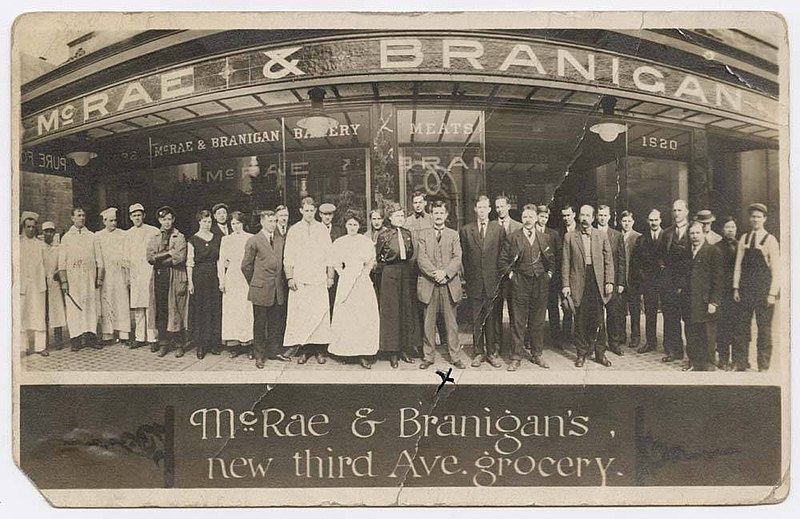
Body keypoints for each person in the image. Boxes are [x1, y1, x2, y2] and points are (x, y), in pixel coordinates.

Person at [500, 204, 555, 371]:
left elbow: (552, 261)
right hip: (519, 283)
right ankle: (516, 356)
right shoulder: (512, 237)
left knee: (537, 320)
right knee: (518, 320)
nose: (528, 220)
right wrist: (512, 276)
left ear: (536, 218)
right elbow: (503, 261)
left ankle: (537, 354)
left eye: (531, 216)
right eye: (525, 217)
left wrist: (548, 275)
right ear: (522, 219)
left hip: (540, 283)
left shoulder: (544, 237)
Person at [283, 197, 335, 364]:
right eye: (306, 211)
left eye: (312, 211)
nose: (309, 214)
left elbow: (330, 256)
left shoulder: (322, 230)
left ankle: (319, 350)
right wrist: (290, 277)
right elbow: (288, 256)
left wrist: (330, 276)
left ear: (315, 211)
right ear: (301, 211)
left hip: (318, 279)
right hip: (301, 279)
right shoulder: (294, 230)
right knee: (303, 316)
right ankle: (305, 350)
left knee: (319, 314)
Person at [562, 205, 614, 368]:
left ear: (593, 218)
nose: (585, 218)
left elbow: (608, 260)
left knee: (599, 319)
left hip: (597, 281)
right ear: (579, 217)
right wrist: (565, 284)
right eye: (582, 215)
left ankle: (600, 353)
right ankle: (581, 354)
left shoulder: (601, 235)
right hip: (578, 280)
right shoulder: (570, 237)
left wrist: (609, 281)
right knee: (580, 319)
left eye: (588, 215)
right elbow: (565, 262)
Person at [416, 201, 466, 370]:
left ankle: (455, 356)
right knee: (428, 323)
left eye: (441, 213)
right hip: (429, 284)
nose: (438, 216)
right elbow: (421, 259)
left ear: (446, 215)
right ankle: (428, 356)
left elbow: (457, 257)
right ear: (431, 215)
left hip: (448, 283)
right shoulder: (423, 234)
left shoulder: (453, 234)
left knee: (451, 323)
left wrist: (445, 273)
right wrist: (435, 274)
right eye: (435, 213)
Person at [329, 211, 380, 368]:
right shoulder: (339, 242)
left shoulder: (366, 242)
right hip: (346, 280)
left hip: (362, 281)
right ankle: (345, 351)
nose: (352, 227)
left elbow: (371, 261)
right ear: (345, 225)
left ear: (359, 226)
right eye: (350, 224)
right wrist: (344, 274)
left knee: (363, 316)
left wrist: (363, 274)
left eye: (355, 225)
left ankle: (363, 353)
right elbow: (335, 262)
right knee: (347, 316)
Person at [732, 203, 780, 371]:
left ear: (764, 219)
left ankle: (763, 365)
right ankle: (741, 362)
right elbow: (738, 265)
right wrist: (736, 288)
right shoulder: (744, 238)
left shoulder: (770, 240)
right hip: (745, 290)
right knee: (741, 328)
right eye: (753, 216)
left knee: (764, 330)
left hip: (763, 292)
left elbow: (776, 270)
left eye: (759, 217)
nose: (755, 219)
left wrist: (772, 294)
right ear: (749, 218)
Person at [241, 210, 291, 369]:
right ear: (262, 222)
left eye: (275, 221)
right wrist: (256, 282)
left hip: (277, 289)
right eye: (270, 221)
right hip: (260, 288)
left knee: (275, 322)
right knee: (260, 323)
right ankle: (259, 355)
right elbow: (246, 266)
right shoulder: (253, 240)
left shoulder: (279, 239)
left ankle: (274, 351)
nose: (273, 224)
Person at [460, 195, 504, 368]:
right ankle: (478, 352)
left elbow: (502, 255)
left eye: (485, 207)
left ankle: (492, 353)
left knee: (492, 318)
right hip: (475, 282)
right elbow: (464, 257)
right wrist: (467, 279)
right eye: (479, 207)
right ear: (475, 209)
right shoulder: (466, 230)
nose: (482, 211)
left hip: (493, 282)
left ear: (490, 209)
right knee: (477, 319)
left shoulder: (498, 229)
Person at [375, 202, 420, 368]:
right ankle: (392, 351)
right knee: (392, 312)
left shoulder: (408, 233)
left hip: (405, 272)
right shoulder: (384, 235)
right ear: (390, 217)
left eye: (402, 215)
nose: (400, 218)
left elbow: (411, 253)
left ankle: (404, 349)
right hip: (390, 273)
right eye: (397, 215)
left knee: (405, 311)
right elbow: (379, 257)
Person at [146, 206, 189, 357]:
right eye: (164, 219)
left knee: (176, 310)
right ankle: (163, 343)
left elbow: (179, 257)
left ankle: (179, 344)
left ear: (173, 220)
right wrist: (168, 253)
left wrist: (160, 257)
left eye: (169, 219)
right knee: (161, 310)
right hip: (159, 277)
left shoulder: (180, 236)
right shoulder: (155, 237)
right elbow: (150, 258)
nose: (167, 222)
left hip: (175, 277)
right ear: (159, 220)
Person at [59, 207, 103, 351]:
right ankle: (76, 340)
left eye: (83, 215)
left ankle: (91, 337)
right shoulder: (66, 238)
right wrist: (64, 281)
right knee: (74, 308)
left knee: (90, 307)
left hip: (89, 279)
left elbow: (99, 259)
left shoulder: (92, 236)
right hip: (73, 280)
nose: (82, 218)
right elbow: (62, 262)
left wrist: (99, 278)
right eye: (78, 215)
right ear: (72, 218)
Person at [683, 221, 723, 371]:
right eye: (692, 233)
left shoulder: (712, 251)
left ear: (704, 233)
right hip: (689, 301)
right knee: (691, 332)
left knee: (707, 334)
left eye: (697, 233)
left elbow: (718, 280)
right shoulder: (687, 252)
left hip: (706, 301)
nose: (694, 236)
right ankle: (693, 361)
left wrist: (714, 302)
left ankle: (708, 363)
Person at [218, 211, 254, 357]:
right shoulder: (226, 239)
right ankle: (235, 346)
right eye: (233, 224)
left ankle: (249, 344)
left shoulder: (250, 238)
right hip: (232, 277)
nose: (235, 226)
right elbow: (221, 261)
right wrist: (222, 281)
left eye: (238, 223)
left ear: (243, 223)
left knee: (246, 309)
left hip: (246, 277)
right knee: (233, 310)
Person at [187, 210, 223, 359]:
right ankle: (201, 345)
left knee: (214, 308)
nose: (207, 224)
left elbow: (221, 259)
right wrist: (190, 282)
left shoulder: (217, 238)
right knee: (201, 310)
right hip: (199, 277)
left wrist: (222, 279)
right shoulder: (193, 240)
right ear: (199, 222)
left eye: (209, 222)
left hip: (214, 276)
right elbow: (190, 262)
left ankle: (214, 343)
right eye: (204, 221)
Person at [125, 203, 161, 350]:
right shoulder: (128, 234)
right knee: (139, 307)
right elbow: (126, 257)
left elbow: (158, 252)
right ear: (130, 218)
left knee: (151, 306)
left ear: (144, 216)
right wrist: (128, 276)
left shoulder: (153, 231)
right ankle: (140, 337)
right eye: (134, 216)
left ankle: (153, 338)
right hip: (136, 274)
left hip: (150, 273)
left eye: (139, 215)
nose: (137, 218)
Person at [661, 200, 692, 363]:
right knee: (671, 317)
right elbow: (661, 257)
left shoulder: (694, 230)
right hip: (670, 282)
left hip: (688, 283)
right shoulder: (667, 233)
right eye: (674, 210)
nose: (676, 213)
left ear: (686, 212)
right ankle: (675, 351)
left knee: (689, 318)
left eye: (680, 210)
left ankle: (693, 353)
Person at [95, 207, 131, 345]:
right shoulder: (98, 236)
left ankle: (124, 334)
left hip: (119, 273)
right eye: (110, 221)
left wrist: (126, 273)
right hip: (106, 274)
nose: (113, 223)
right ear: (104, 221)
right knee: (107, 302)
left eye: (115, 220)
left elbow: (126, 254)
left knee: (121, 302)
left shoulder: (123, 235)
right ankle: (107, 335)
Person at [596, 205, 627, 356]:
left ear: (609, 217)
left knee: (613, 314)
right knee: (597, 315)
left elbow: (622, 261)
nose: (602, 218)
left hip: (613, 282)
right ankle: (598, 343)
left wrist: (620, 282)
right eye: (600, 215)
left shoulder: (617, 235)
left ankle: (614, 343)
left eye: (605, 215)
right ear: (597, 216)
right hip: (596, 281)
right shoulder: (592, 233)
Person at [494, 195, 523, 354]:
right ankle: (497, 346)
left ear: (509, 206)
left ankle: (515, 347)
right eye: (497, 207)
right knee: (496, 312)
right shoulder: (491, 226)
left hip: (513, 276)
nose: (500, 210)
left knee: (515, 312)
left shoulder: (518, 227)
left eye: (502, 206)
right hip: (496, 277)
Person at [19, 211, 48, 356]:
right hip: (22, 285)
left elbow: (47, 265)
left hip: (37, 285)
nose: (30, 229)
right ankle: (22, 347)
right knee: (22, 314)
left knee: (38, 314)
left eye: (33, 227)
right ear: (23, 227)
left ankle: (40, 347)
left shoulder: (41, 245)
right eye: (28, 227)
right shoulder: (17, 243)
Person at [637, 209, 666, 354]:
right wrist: (644, 278)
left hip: (665, 281)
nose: (653, 223)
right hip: (649, 282)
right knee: (650, 313)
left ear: (660, 220)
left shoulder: (667, 236)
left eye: (656, 220)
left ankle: (669, 344)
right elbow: (638, 262)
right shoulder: (642, 239)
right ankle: (651, 342)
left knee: (668, 313)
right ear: (648, 221)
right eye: (651, 220)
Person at [534, 205, 563, 349]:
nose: (543, 219)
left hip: (549, 278)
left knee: (553, 308)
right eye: (541, 216)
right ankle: (531, 339)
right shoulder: (530, 232)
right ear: (536, 216)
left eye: (546, 217)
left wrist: (552, 273)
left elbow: (558, 256)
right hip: (534, 277)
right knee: (534, 309)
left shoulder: (553, 234)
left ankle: (556, 339)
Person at [715, 216, 739, 371]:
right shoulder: (717, 247)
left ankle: (737, 359)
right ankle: (723, 358)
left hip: (737, 293)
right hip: (723, 293)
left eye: (733, 227)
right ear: (722, 230)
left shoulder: (741, 246)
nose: (730, 230)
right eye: (727, 227)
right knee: (723, 326)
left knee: (737, 327)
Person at [41, 221, 66, 350]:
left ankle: (58, 341)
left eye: (51, 231)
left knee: (57, 311)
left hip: (55, 282)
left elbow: (62, 263)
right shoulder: (40, 247)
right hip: (43, 282)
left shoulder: (58, 248)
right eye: (47, 231)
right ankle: (43, 342)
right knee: (43, 312)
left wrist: (58, 273)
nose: (49, 234)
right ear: (43, 233)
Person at [620, 211, 642, 350]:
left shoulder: (638, 237)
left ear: (632, 222)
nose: (626, 223)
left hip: (634, 280)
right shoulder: (617, 236)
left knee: (635, 310)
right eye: (624, 221)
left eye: (629, 221)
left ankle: (635, 336)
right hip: (621, 281)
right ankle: (621, 335)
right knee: (620, 309)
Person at [320, 202, 344, 318]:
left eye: (330, 214)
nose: (327, 217)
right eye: (325, 214)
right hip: (319, 271)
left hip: (336, 271)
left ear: (333, 215)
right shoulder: (315, 229)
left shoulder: (339, 231)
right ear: (320, 215)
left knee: (334, 299)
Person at [368, 208, 385, 301]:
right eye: (374, 219)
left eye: (379, 219)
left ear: (382, 219)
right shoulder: (366, 235)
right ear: (370, 220)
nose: (376, 222)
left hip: (383, 271)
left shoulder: (388, 233)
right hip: (370, 272)